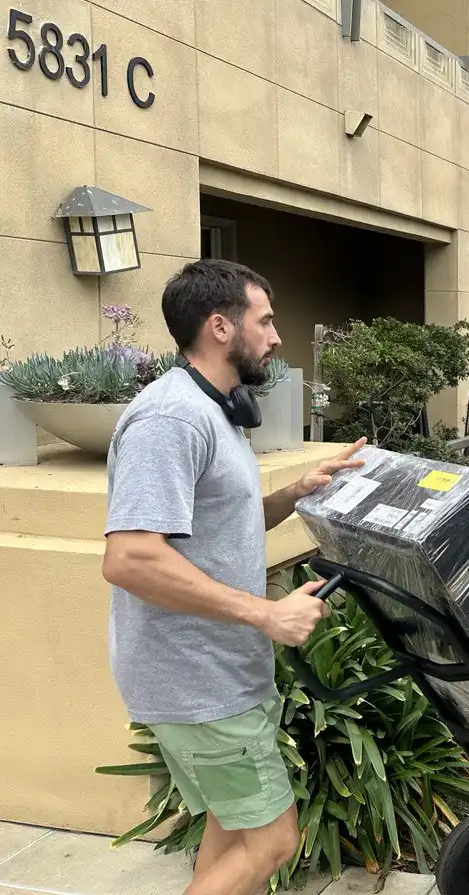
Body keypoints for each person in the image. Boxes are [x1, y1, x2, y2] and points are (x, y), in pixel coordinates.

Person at [101, 259, 366, 895]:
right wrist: (268, 615)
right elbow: (131, 558)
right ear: (221, 327)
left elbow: (217, 520)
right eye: (265, 320)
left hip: (220, 672)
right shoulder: (172, 420)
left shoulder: (215, 412)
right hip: (198, 679)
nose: (276, 336)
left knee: (231, 831)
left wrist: (299, 490)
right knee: (275, 842)